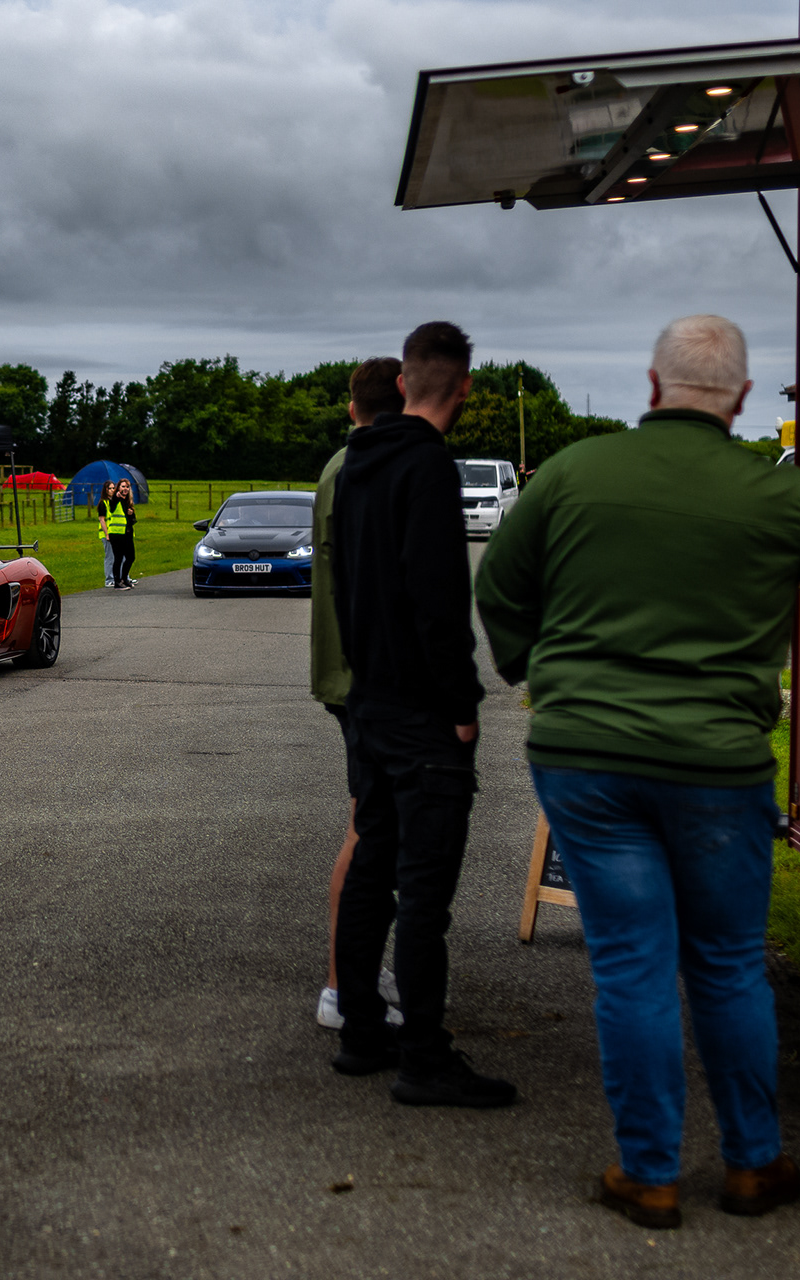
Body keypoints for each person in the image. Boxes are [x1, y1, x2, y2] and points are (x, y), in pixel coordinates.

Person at [475, 315, 800, 1227]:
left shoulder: (572, 473)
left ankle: (649, 1174)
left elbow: (499, 587)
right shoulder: (776, 495)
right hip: (717, 767)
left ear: (653, 388)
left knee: (632, 967)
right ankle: (754, 1165)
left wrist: (535, 670)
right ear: (743, 399)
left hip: (587, 761)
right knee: (726, 965)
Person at [330, 320, 512, 1107]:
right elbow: (438, 599)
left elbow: (347, 584)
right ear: (463, 387)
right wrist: (461, 705)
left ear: (403, 383)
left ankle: (362, 1031)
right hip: (422, 716)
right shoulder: (430, 467)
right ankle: (426, 1059)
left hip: (370, 699)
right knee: (425, 894)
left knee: (373, 870)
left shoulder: (357, 463)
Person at [310, 357, 404, 1030]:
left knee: (373, 826)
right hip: (364, 676)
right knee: (370, 831)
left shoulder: (339, 465)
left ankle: (359, 964)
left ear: (351, 408)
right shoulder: (366, 471)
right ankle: (343, 988)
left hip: (345, 671)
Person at [107, 482, 136, 589]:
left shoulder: (128, 501)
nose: (125, 489)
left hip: (127, 533)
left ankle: (124, 578)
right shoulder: (115, 499)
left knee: (131, 557)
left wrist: (131, 514)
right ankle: (117, 582)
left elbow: (133, 520)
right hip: (117, 533)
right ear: (118, 488)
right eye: (123, 486)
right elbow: (112, 506)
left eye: (127, 487)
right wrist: (116, 496)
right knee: (118, 557)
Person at [98, 480, 120, 586]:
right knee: (110, 557)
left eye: (113, 488)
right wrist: (107, 534)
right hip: (106, 534)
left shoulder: (113, 502)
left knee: (118, 556)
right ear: (105, 490)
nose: (112, 490)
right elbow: (102, 520)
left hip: (115, 533)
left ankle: (120, 577)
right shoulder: (103, 503)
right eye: (109, 488)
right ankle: (109, 579)